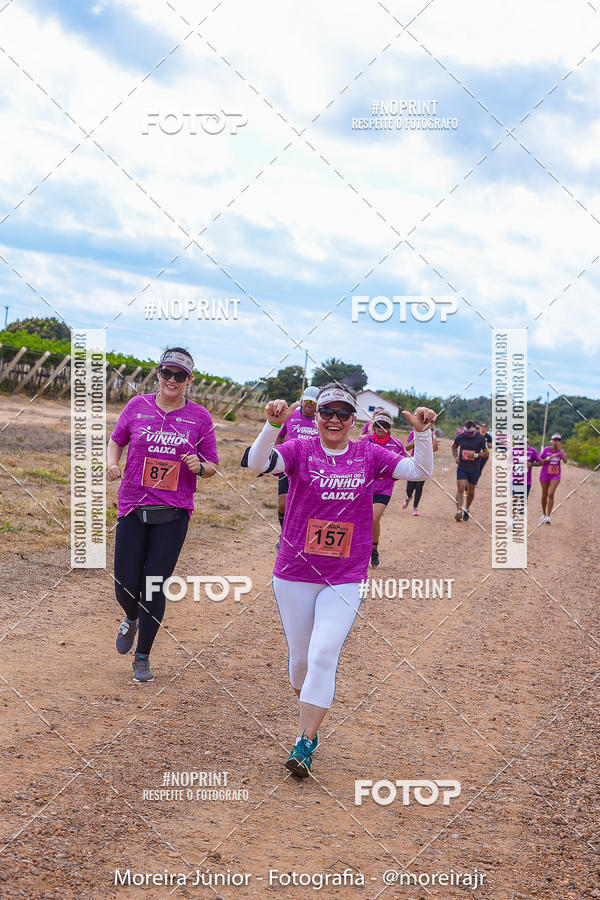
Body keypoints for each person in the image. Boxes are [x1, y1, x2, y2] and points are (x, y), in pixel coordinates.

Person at [245, 384, 436, 777]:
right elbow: (256, 463)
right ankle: (308, 714)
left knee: (322, 654)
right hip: (295, 572)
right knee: (300, 662)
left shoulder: (369, 453)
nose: (334, 419)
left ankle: (304, 741)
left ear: (354, 420)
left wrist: (421, 433)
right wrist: (270, 426)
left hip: (345, 574)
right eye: (327, 412)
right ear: (317, 417)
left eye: (342, 414)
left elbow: (418, 471)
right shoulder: (300, 449)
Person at [107, 348, 219, 683]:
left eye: (179, 376)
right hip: (132, 506)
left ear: (189, 380)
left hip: (173, 514)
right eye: (167, 373)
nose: (172, 380)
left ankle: (142, 658)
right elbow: (117, 441)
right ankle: (131, 617)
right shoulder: (136, 406)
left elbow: (212, 464)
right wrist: (113, 464)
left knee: (153, 587)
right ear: (158, 373)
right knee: (125, 585)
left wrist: (201, 467)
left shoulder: (200, 417)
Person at [359, 411, 407, 567]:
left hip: (383, 489)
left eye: (384, 425)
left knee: (373, 518)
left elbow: (405, 465)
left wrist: (392, 476)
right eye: (377, 424)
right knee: (358, 519)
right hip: (363, 488)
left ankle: (373, 549)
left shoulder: (396, 444)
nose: (380, 428)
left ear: (389, 428)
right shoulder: (364, 440)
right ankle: (360, 550)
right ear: (373, 426)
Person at [274, 386, 319, 545]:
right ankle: (284, 535)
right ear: (301, 400)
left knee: (305, 508)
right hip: (288, 467)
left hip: (311, 471)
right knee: (283, 505)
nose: (309, 405)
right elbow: (280, 437)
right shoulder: (291, 416)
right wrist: (276, 457)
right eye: (306, 401)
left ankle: (300, 538)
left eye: (312, 403)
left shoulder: (320, 421)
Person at [452, 420, 488, 522]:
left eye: (470, 433)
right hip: (462, 466)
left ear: (475, 430)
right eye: (466, 433)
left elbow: (486, 453)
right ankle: (459, 511)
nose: (468, 435)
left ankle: (467, 509)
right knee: (461, 487)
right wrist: (455, 457)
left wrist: (475, 455)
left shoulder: (480, 439)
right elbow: (454, 447)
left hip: (474, 468)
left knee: (471, 491)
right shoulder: (460, 437)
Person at [402, 425, 438, 515]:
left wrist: (433, 436)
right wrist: (417, 438)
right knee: (409, 487)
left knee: (419, 486)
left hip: (425, 464)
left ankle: (415, 508)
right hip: (413, 461)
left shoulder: (429, 434)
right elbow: (407, 448)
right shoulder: (413, 433)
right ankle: (409, 497)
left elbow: (435, 449)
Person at [538, 433, 567, 524]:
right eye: (555, 441)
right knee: (544, 495)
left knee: (551, 494)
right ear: (552, 441)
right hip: (545, 474)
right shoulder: (546, 449)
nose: (556, 442)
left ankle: (548, 516)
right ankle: (543, 514)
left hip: (555, 475)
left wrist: (561, 451)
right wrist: (549, 458)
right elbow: (540, 461)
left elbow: (565, 461)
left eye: (558, 441)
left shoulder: (561, 451)